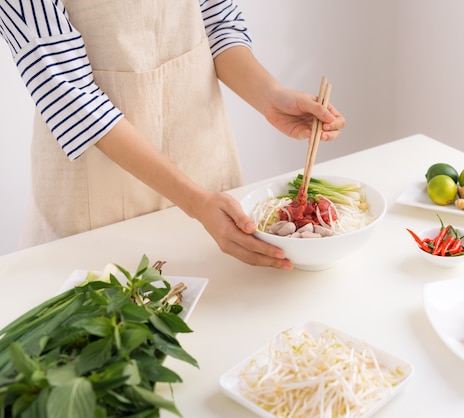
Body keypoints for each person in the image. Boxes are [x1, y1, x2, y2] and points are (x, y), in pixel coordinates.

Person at [0, 0, 346, 270]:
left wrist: (270, 96)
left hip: (204, 167)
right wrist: (195, 201)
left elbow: (214, 18)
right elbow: (68, 92)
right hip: (97, 198)